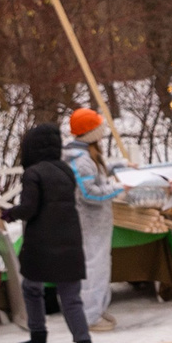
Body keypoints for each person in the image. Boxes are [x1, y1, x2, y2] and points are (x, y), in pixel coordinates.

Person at [3, 124, 92, 343]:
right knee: (71, 298)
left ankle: (38, 340)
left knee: (32, 289)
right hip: (71, 240)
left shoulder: (33, 173)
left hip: (42, 243)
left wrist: (8, 214)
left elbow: (30, 208)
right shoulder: (66, 170)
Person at [58, 110, 127, 330]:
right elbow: (89, 193)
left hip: (96, 224)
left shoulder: (86, 156)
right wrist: (118, 188)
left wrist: (119, 167)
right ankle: (89, 316)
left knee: (100, 266)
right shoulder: (82, 161)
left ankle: (97, 309)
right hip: (89, 224)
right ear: (91, 134)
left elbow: (98, 176)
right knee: (92, 269)